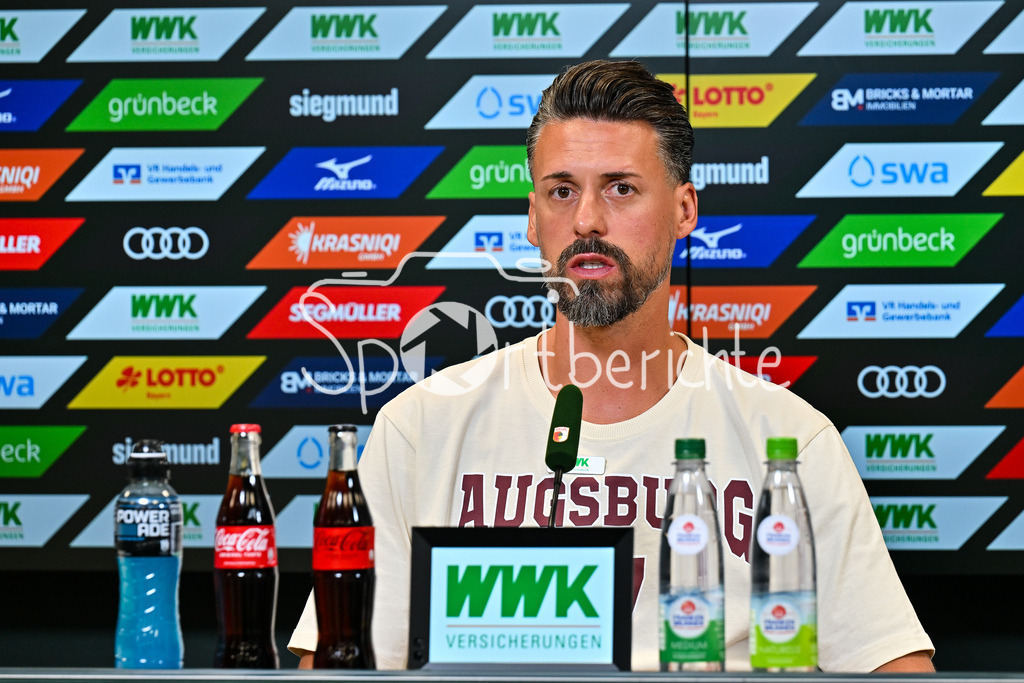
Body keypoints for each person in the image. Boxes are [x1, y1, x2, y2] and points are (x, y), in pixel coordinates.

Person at [289, 59, 935, 672]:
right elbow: (334, 665)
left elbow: (897, 667)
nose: (588, 221)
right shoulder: (420, 431)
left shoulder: (788, 444)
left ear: (685, 210)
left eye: (621, 188)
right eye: (562, 191)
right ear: (533, 217)